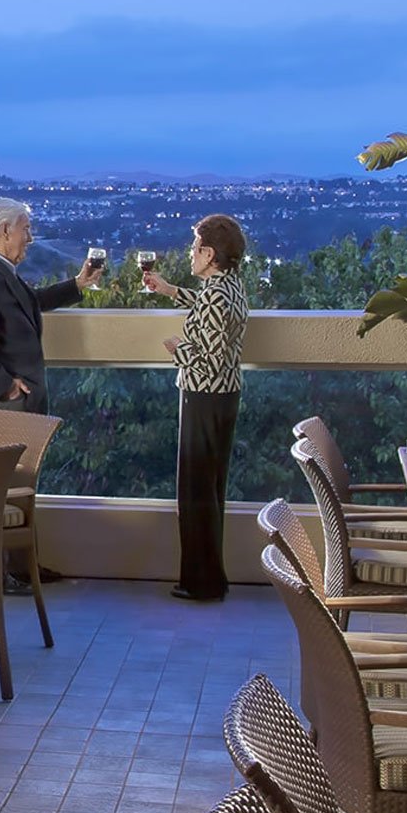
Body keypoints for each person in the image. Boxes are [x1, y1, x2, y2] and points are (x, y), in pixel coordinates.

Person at [143, 214, 249, 602]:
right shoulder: (229, 285)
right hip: (224, 396)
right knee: (210, 490)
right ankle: (210, 578)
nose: (190, 253)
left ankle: (202, 582)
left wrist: (178, 349)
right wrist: (170, 290)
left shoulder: (217, 295)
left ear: (209, 254)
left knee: (196, 493)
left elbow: (211, 360)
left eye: (194, 248)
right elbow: (208, 308)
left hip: (204, 396)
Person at [0, 197, 94, 419]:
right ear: (6, 231)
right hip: (6, 405)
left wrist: (77, 284)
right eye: (26, 229)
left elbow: (30, 301)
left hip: (17, 403)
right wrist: (7, 386)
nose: (30, 238)